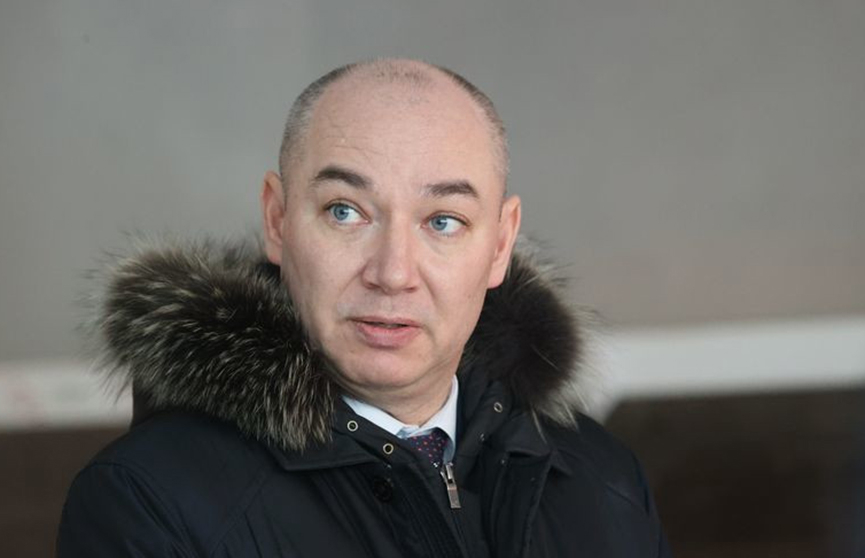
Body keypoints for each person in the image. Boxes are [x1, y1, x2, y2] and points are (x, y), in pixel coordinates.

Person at [57, 58, 670, 557]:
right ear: (277, 219)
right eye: (345, 212)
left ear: (500, 245)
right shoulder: (149, 501)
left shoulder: (604, 479)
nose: (393, 273)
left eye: (443, 221)